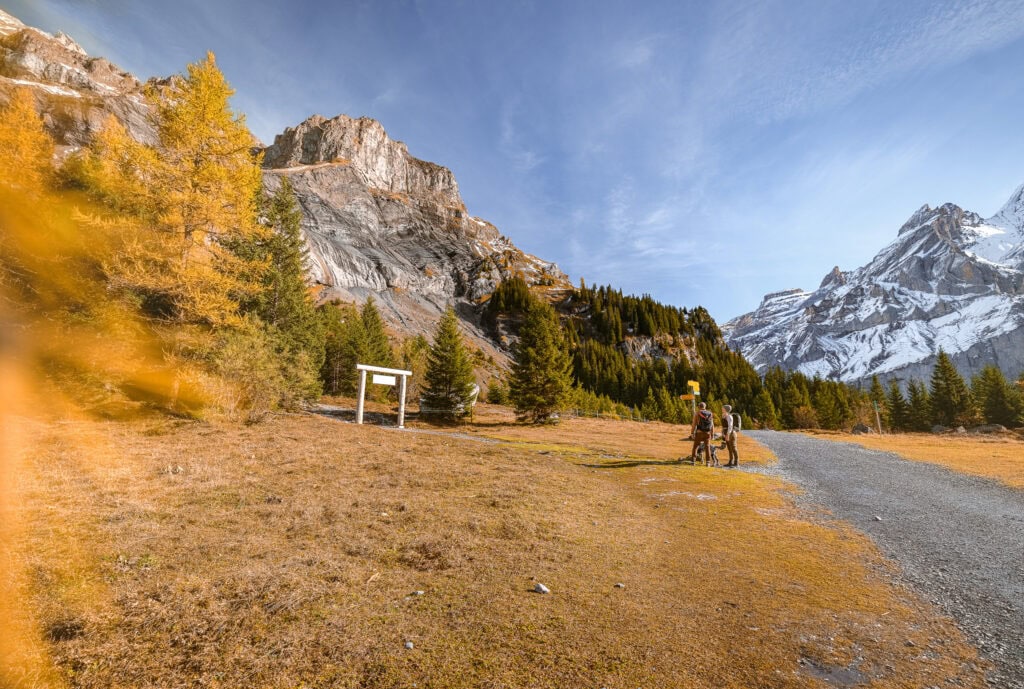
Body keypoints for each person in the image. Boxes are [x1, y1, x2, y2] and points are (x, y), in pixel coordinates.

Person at [690, 401, 715, 466]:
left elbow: (694, 424)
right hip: (707, 433)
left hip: (699, 432)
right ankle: (708, 462)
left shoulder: (697, 413)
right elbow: (712, 425)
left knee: (695, 446)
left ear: (699, 407)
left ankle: (693, 461)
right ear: (705, 407)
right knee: (707, 447)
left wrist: (692, 433)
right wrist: (712, 434)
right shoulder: (710, 414)